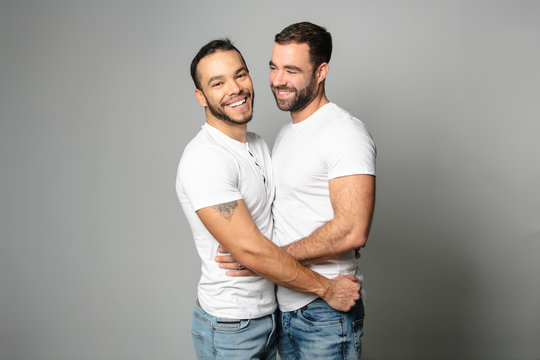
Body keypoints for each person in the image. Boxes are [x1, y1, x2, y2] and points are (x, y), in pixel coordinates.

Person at [176, 38, 362, 360]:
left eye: (240, 75)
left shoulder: (259, 145)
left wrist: (344, 236)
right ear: (201, 97)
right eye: (217, 83)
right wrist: (327, 287)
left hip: (272, 317)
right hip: (230, 325)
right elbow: (251, 250)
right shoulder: (206, 158)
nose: (235, 88)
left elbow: (285, 215)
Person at [218, 23, 376, 359]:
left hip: (325, 313)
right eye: (274, 67)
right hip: (286, 310)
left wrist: (262, 260)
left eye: (292, 70)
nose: (277, 80)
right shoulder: (287, 133)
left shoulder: (344, 132)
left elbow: (353, 230)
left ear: (321, 72)